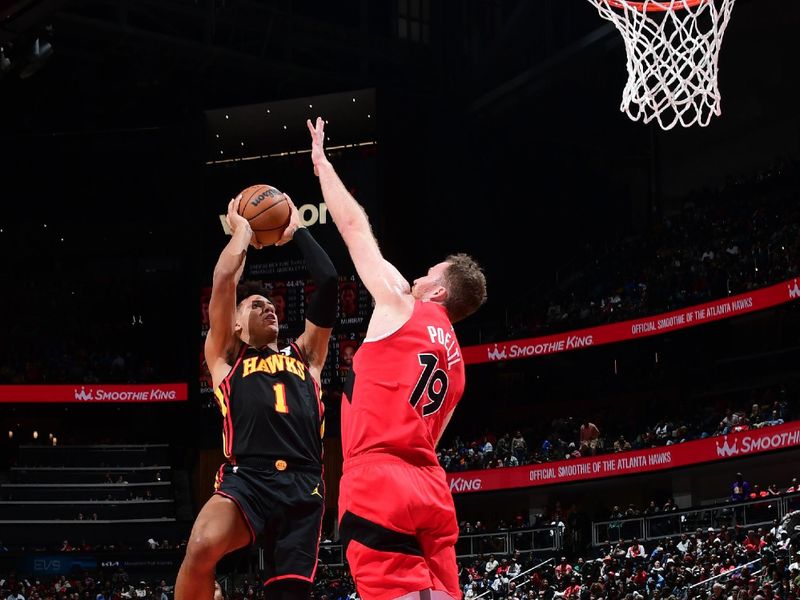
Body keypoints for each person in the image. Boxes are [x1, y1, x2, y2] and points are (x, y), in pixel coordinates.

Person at [307, 117, 487, 600]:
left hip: (378, 478)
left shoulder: (399, 303)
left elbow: (353, 227)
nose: (420, 274)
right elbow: (431, 436)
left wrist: (323, 165)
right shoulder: (459, 368)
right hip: (430, 487)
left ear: (440, 290)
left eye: (429, 272)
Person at [174, 193, 338, 600]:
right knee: (200, 546)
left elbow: (330, 283)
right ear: (236, 325)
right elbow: (224, 280)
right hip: (247, 477)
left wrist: (298, 231)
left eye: (272, 305)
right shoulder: (227, 358)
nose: (270, 308)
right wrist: (244, 232)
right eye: (256, 305)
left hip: (303, 485)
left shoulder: (307, 356)